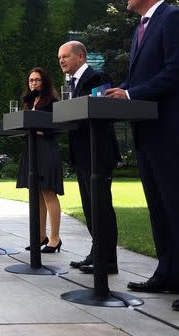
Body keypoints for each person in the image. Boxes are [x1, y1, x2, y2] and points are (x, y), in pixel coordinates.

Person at [105, 0, 179, 311]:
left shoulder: (173, 18)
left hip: (171, 128)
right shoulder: (141, 27)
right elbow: (147, 73)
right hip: (148, 130)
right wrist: (125, 90)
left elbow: (178, 70)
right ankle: (168, 274)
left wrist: (132, 94)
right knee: (159, 208)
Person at [58, 41, 120, 274]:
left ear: (81, 57)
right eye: (59, 58)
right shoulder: (70, 84)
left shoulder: (98, 78)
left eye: (65, 56)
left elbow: (101, 111)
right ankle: (97, 253)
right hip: (83, 153)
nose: (61, 60)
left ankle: (108, 260)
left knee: (101, 207)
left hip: (99, 152)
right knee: (90, 208)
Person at [16, 66, 64, 254]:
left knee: (48, 192)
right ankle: (40, 236)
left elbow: (57, 126)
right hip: (32, 148)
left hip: (46, 148)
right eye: (30, 80)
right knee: (36, 193)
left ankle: (55, 238)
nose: (33, 83)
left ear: (44, 81)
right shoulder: (29, 101)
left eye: (37, 80)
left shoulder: (52, 101)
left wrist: (35, 130)